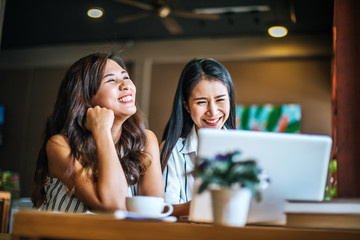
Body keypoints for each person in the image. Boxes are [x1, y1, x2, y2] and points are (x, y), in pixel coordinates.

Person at [31, 52, 164, 212]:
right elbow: (114, 204)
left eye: (126, 77)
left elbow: (152, 211)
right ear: (86, 97)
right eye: (111, 80)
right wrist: (102, 130)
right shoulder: (60, 145)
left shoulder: (146, 140)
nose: (125, 85)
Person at [160, 58, 236, 217]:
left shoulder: (244, 147)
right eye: (202, 102)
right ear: (186, 106)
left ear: (230, 98)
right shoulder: (172, 151)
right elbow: (165, 208)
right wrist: (206, 204)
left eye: (220, 99)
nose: (213, 111)